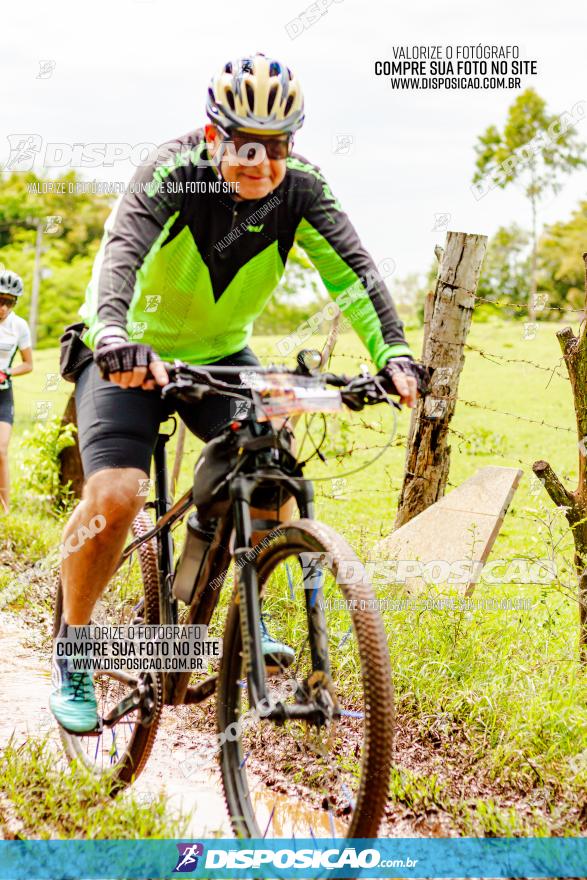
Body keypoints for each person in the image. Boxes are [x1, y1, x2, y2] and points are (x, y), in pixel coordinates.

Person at [50, 53, 421, 733]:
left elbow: (354, 275)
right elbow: (120, 253)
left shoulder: (302, 189)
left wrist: (392, 352)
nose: (259, 162)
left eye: (275, 147)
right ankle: (73, 650)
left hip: (220, 356)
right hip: (127, 352)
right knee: (117, 493)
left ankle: (237, 610)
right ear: (211, 133)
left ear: (291, 145)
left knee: (270, 470)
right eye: (243, 145)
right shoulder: (170, 172)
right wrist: (110, 334)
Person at [0, 271, 33, 513]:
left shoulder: (19, 326)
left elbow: (28, 364)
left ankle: (5, 509)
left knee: (0, 451)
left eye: (9, 302)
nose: (2, 307)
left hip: (3, 394)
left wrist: (8, 371)